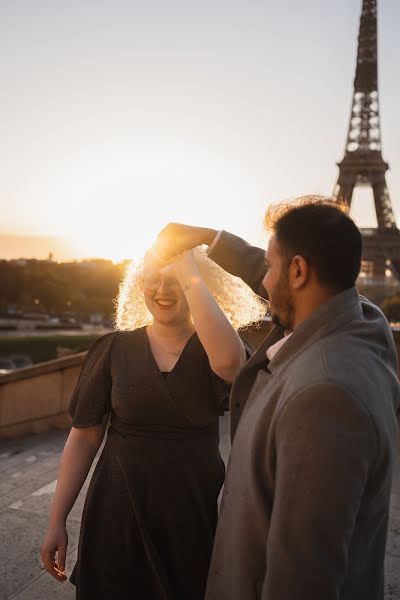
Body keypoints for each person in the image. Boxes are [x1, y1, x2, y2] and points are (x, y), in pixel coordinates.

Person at [156, 196, 400, 600]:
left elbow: (303, 577)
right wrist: (211, 239)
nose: (264, 282)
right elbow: (277, 271)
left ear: (299, 271)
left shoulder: (324, 398)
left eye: (271, 267)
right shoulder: (365, 324)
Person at [40, 247, 266, 600]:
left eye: (176, 279)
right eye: (153, 279)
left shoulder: (217, 348)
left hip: (191, 512)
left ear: (197, 283)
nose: (163, 290)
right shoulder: (114, 349)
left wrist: (187, 265)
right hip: (117, 508)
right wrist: (56, 521)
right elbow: (84, 438)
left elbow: (232, 366)